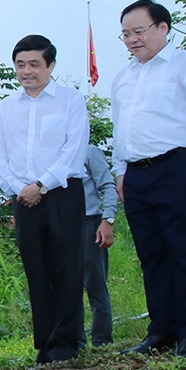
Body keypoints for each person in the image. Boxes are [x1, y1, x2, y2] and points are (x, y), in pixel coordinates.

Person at [110, 0, 186, 358]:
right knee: (152, 254)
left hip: (177, 166)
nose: (132, 40)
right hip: (137, 173)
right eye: (126, 34)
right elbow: (121, 128)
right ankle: (161, 330)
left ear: (163, 28)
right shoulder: (123, 77)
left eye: (139, 31)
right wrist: (120, 172)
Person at [0, 35, 89, 365]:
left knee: (67, 268)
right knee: (37, 271)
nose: (26, 71)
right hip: (23, 198)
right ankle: (45, 344)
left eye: (34, 64)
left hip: (62, 194)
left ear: (50, 66)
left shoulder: (70, 101)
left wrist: (40, 185)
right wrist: (19, 189)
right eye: (20, 64)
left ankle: (66, 344)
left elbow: (73, 152)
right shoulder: (7, 106)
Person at [80, 145, 118, 348]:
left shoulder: (89, 151)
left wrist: (107, 220)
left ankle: (102, 341)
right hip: (64, 225)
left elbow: (108, 187)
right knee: (68, 287)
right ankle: (75, 341)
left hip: (89, 223)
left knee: (95, 285)